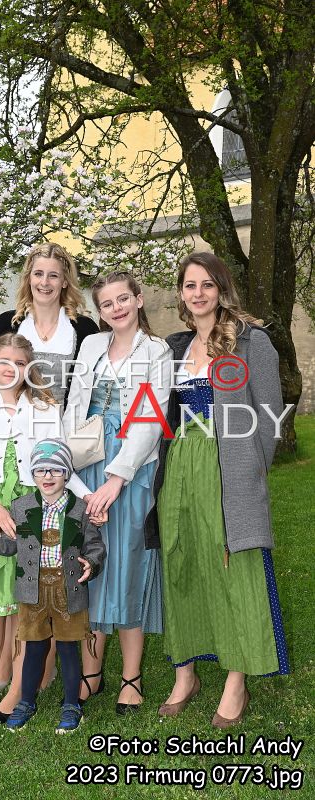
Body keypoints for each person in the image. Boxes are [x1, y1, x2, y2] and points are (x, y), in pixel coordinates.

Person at [145, 252, 289, 728]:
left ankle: (236, 680)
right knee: (181, 561)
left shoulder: (251, 341)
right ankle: (185, 674)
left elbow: (269, 417)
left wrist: (250, 470)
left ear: (222, 289)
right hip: (179, 464)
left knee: (233, 565)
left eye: (207, 284)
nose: (199, 293)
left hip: (226, 465)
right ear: (181, 294)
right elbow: (156, 411)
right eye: (190, 285)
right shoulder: (175, 346)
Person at [0, 334, 97, 722]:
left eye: (19, 363)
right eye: (3, 361)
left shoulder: (45, 411)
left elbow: (61, 466)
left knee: (25, 604)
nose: (10, 369)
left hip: (32, 512)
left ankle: (17, 690)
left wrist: (90, 499)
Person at [63, 270, 172, 714]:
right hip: (88, 461)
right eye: (106, 304)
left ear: (138, 299)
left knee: (127, 564)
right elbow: (74, 405)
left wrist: (116, 479)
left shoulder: (157, 350)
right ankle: (91, 672)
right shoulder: (91, 345)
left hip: (131, 467)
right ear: (100, 311)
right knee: (89, 561)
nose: (116, 308)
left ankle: (131, 676)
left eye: (123, 299)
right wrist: (71, 470)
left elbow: (151, 418)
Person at [0, 439, 106, 733]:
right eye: (41, 470)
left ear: (67, 474)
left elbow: (95, 547)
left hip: (68, 590)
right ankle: (25, 702)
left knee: (68, 648)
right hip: (32, 591)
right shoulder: (21, 508)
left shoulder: (81, 509)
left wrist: (91, 563)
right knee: (33, 647)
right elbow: (6, 546)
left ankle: (71, 705)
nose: (48, 476)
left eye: (56, 470)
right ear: (32, 474)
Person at [0, 241, 98, 406]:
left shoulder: (84, 328)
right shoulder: (6, 324)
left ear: (65, 281)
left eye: (53, 275)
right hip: (13, 419)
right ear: (29, 278)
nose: (44, 282)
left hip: (66, 420)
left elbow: (92, 387)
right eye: (38, 274)